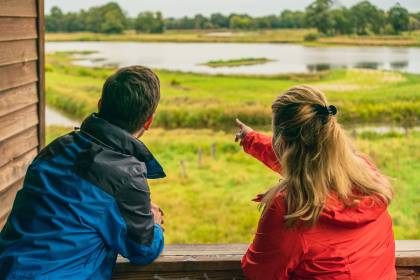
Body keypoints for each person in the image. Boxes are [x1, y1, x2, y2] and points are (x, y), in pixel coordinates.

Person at [0, 66, 165, 279]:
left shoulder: (56, 148)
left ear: (100, 104)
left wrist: (129, 211)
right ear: (149, 121)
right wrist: (155, 223)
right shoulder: (126, 177)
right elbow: (142, 250)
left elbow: (68, 211)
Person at [236, 85, 395, 279]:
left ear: (282, 141)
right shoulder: (364, 174)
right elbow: (311, 161)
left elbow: (259, 272)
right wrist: (251, 139)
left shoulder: (290, 210)